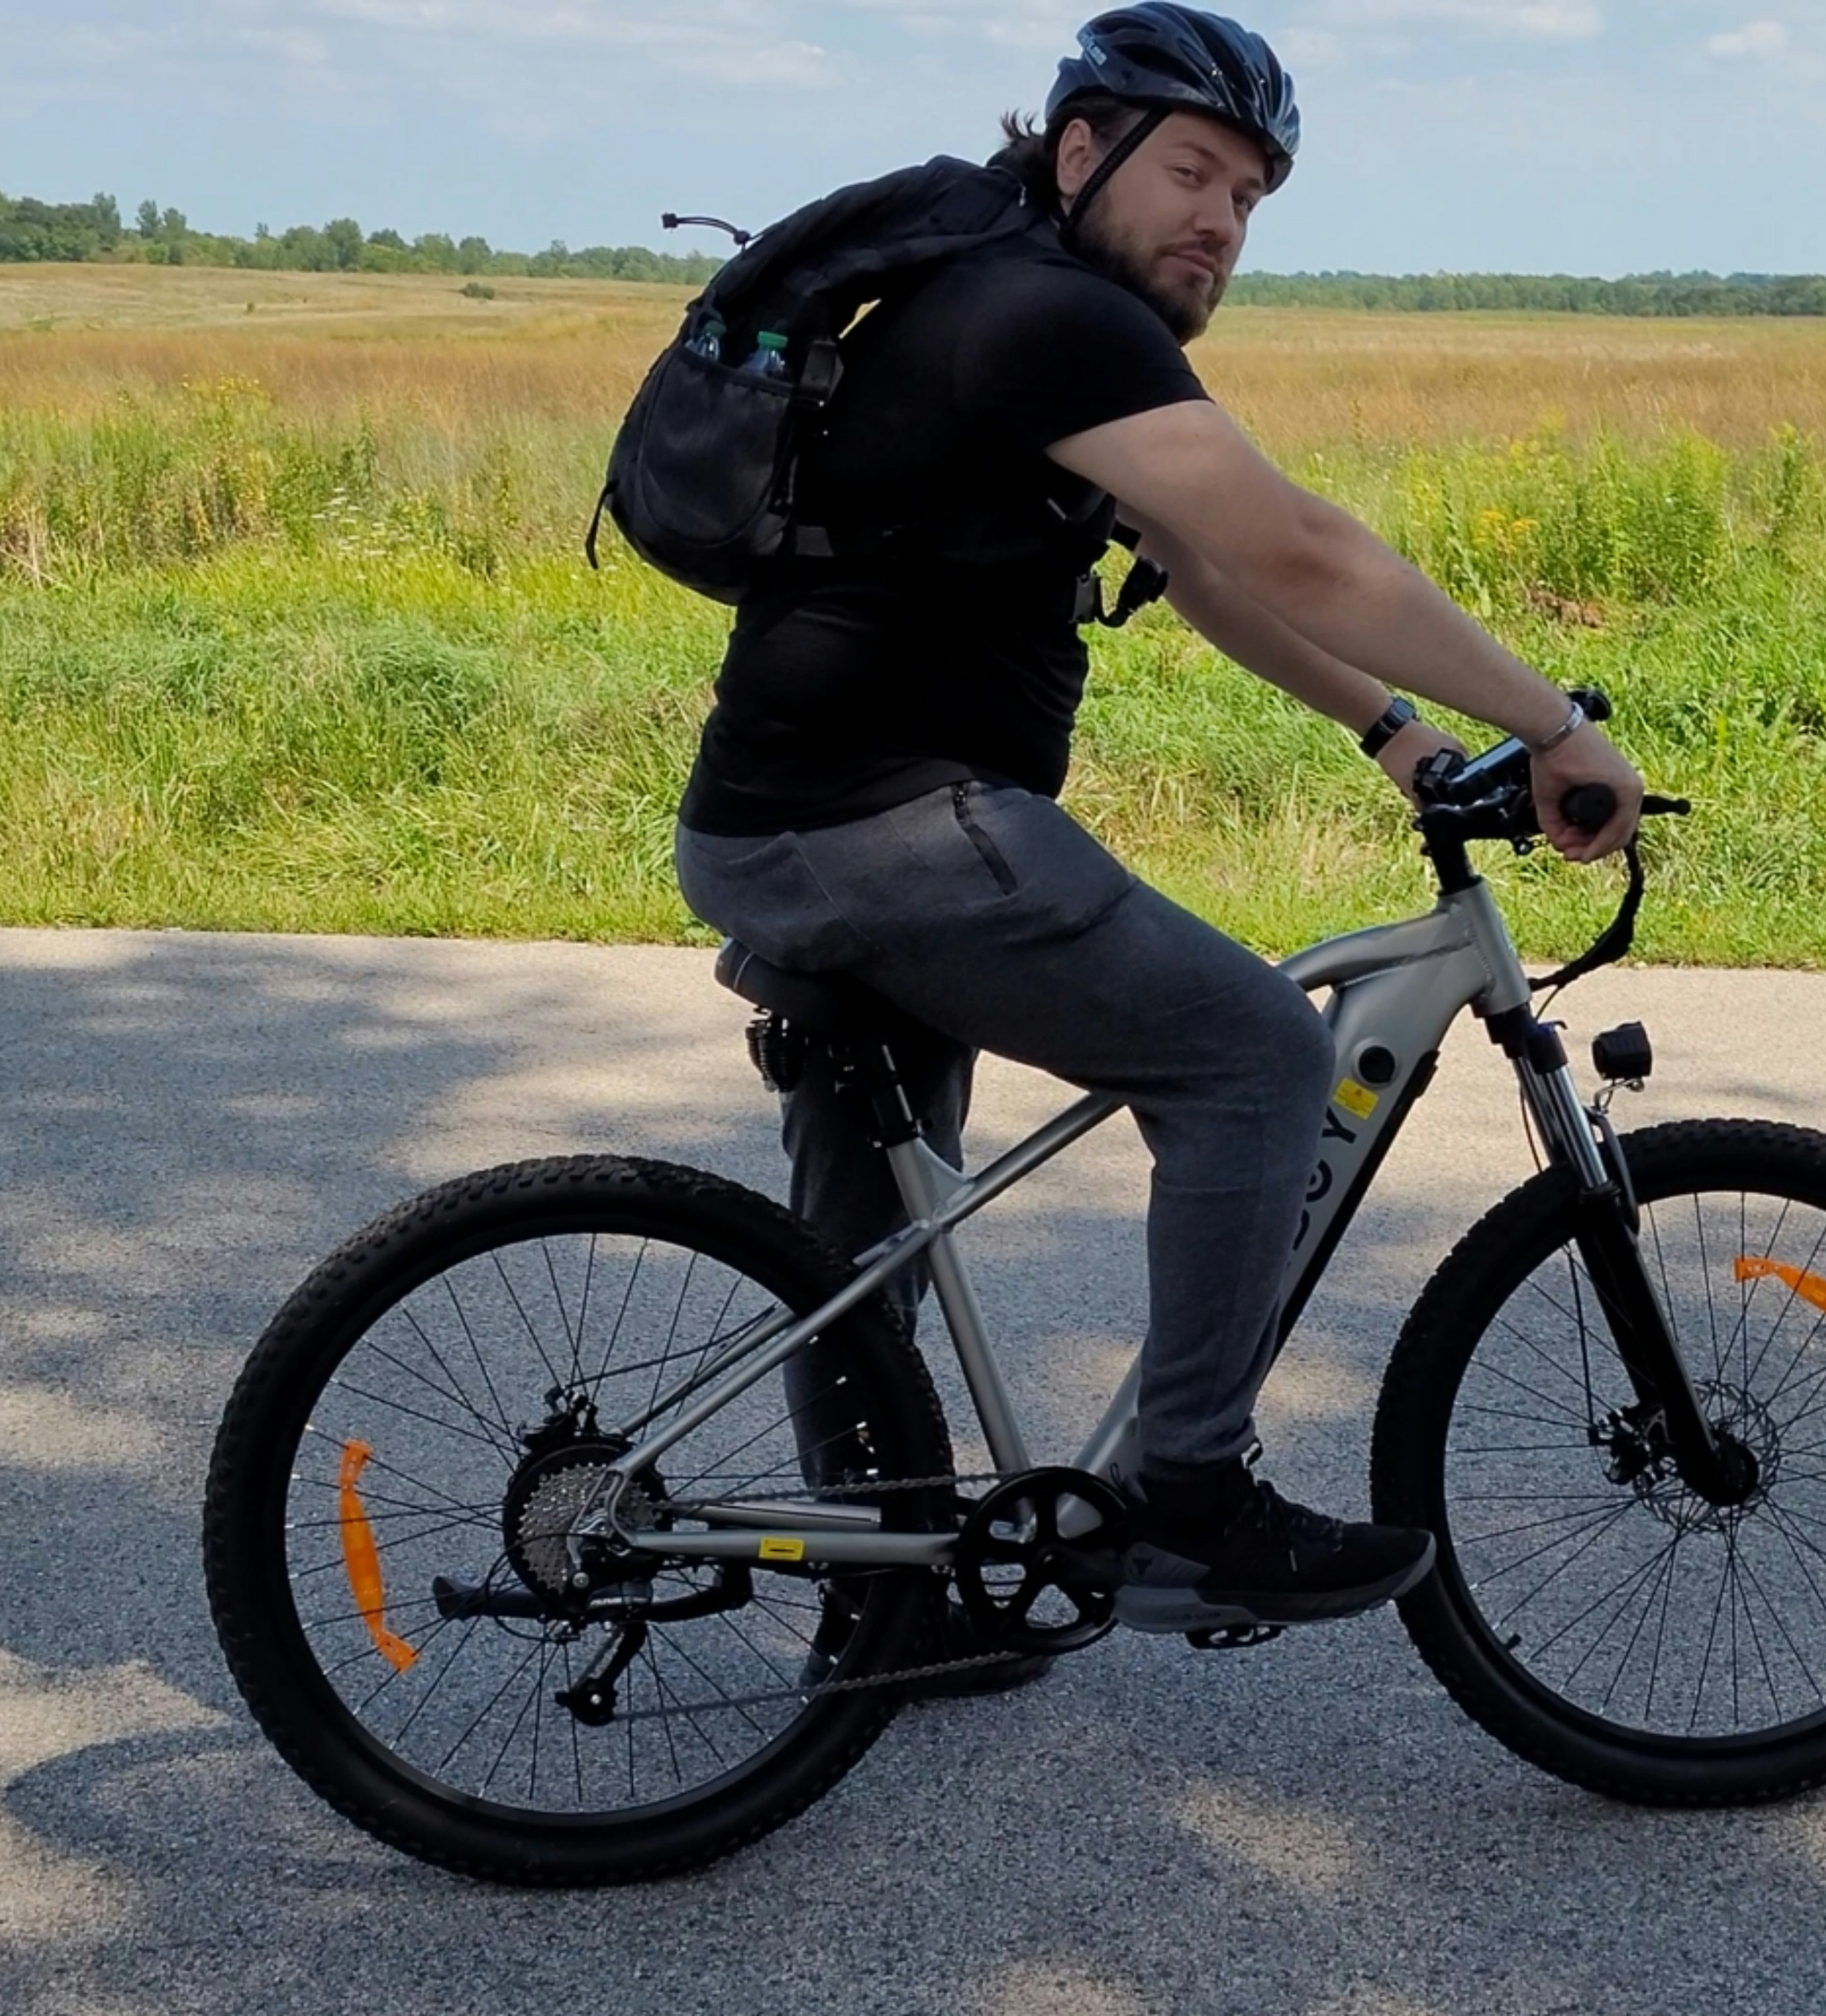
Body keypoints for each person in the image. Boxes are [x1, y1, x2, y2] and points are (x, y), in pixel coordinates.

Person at [671, 4, 1646, 1650]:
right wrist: (1551, 725)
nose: (1221, 220)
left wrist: (1401, 735)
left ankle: (884, 1592)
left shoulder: (1001, 305)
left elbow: (1202, 568)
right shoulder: (1049, 319)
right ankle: (1192, 1499)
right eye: (1192, 171)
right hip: (894, 826)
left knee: (866, 1230)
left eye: (1252, 198)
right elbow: (1301, 549)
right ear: (1083, 152)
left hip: (789, 822)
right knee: (1261, 1056)